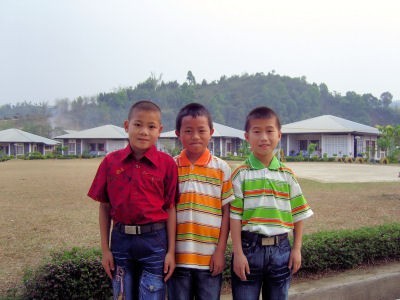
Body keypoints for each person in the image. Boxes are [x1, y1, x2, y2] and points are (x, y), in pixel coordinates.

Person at [87, 100, 178, 300]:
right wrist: (105, 250)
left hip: (155, 242)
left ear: (159, 130)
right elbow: (104, 207)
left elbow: (170, 208)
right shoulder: (110, 163)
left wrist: (171, 252)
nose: (144, 131)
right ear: (127, 126)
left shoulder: (167, 165)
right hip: (120, 241)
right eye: (138, 125)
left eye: (151, 126)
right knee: (122, 294)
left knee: (152, 293)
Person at [230, 106, 313, 300]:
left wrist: (297, 249)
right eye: (256, 131)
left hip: (281, 251)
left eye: (269, 131)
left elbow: (299, 214)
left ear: (279, 135)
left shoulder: (287, 175)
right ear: (247, 136)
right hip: (248, 250)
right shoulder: (240, 174)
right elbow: (234, 217)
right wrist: (238, 253)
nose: (263, 137)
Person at [167, 103, 234, 300]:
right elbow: (167, 211)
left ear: (211, 132)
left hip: (209, 259)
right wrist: (169, 253)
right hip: (178, 259)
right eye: (188, 131)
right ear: (178, 133)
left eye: (201, 130)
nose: (195, 136)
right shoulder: (170, 166)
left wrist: (220, 251)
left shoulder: (222, 168)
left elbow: (227, 213)